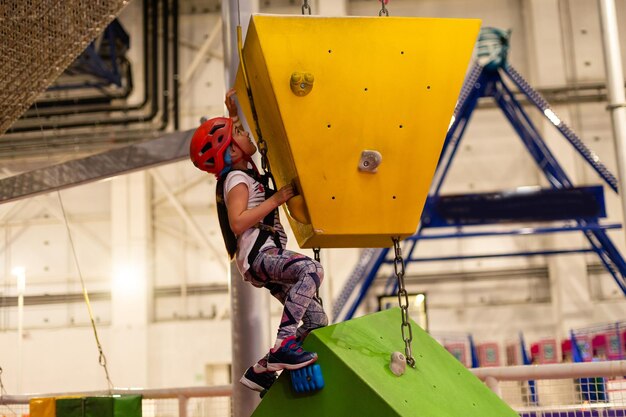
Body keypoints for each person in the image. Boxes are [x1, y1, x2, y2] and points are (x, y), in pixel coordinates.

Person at [189, 88, 328, 394]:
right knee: (312, 271)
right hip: (260, 256)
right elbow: (238, 221)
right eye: (239, 132)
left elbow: (232, 143)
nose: (245, 134)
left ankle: (261, 370)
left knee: (317, 322)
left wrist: (233, 113)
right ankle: (284, 344)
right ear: (232, 151)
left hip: (261, 261)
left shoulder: (241, 170)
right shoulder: (236, 180)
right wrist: (277, 199)